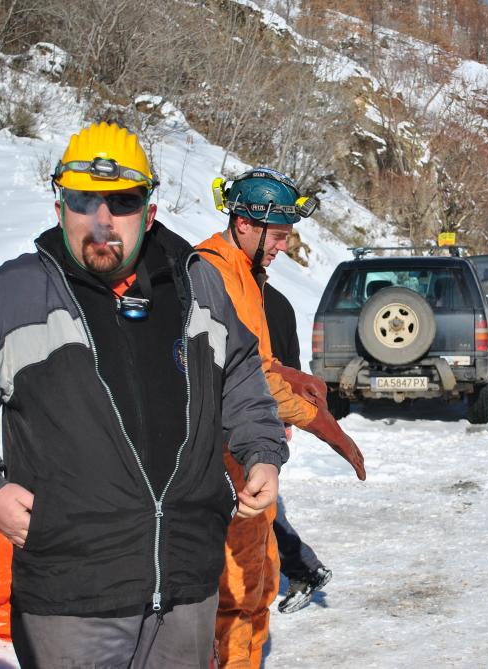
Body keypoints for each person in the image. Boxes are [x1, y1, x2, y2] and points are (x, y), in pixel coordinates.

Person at [0, 122, 288, 669]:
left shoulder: (198, 287)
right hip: (70, 598)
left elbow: (240, 371)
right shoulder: (12, 295)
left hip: (186, 583)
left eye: (122, 201)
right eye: (84, 200)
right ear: (59, 206)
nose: (103, 221)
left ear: (150, 211)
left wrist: (262, 449)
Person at [197, 167, 365, 669]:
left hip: (249, 454)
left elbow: (258, 360)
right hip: (224, 453)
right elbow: (243, 376)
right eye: (278, 235)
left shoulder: (246, 273)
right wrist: (320, 421)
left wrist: (292, 375)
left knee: (262, 576)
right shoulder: (215, 273)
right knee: (237, 587)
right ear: (244, 223)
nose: (284, 247)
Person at [263, 282, 333, 615]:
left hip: (249, 419)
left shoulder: (240, 298)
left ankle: (304, 569)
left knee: (251, 508)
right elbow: (293, 366)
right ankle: (304, 568)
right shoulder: (280, 301)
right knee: (252, 507)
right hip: (271, 415)